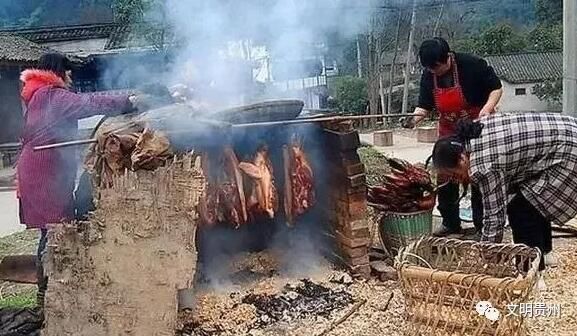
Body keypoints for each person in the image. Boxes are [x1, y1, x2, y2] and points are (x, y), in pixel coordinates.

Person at [17, 53, 140, 306]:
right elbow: (90, 102)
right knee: (55, 230)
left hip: (41, 170)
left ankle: (51, 289)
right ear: (58, 71)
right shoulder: (51, 96)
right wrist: (130, 100)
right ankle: (49, 294)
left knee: (52, 230)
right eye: (69, 71)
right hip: (43, 175)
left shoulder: (40, 95)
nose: (71, 77)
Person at [430, 114, 577, 271]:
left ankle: (531, 272)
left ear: (462, 159)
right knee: (532, 199)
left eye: (455, 174)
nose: (457, 180)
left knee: (522, 209)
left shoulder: (484, 165)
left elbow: (495, 217)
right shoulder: (473, 133)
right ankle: (545, 254)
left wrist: (486, 256)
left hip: (569, 151)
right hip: (568, 129)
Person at [404, 37, 503, 237]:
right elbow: (424, 105)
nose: (435, 71)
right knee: (445, 175)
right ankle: (450, 223)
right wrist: (413, 120)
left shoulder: (472, 65)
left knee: (477, 176)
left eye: (437, 67)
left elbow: (496, 88)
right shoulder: (428, 75)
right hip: (449, 130)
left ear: (448, 57)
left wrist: (487, 109)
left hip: (477, 128)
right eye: (430, 69)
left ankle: (481, 225)